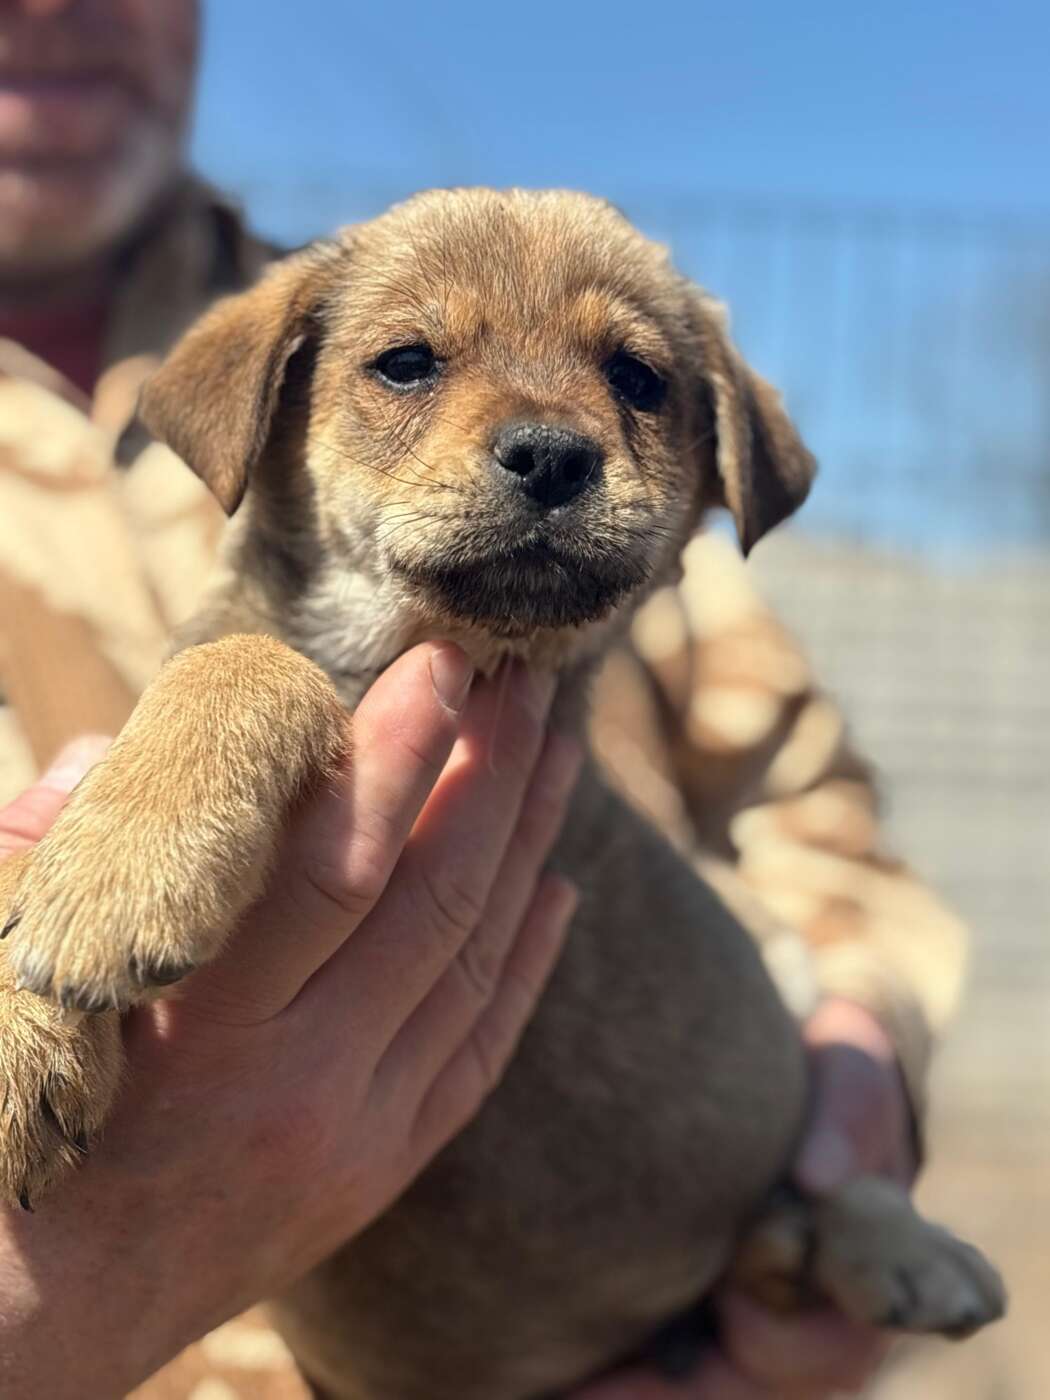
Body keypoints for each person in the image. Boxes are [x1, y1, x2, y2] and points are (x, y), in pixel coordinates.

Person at [0, 3, 968, 1397]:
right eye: (410, 366)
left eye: (631, 380)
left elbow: (816, 825)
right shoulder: (295, 334)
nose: (549, 433)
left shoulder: (592, 522)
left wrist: (856, 1082)